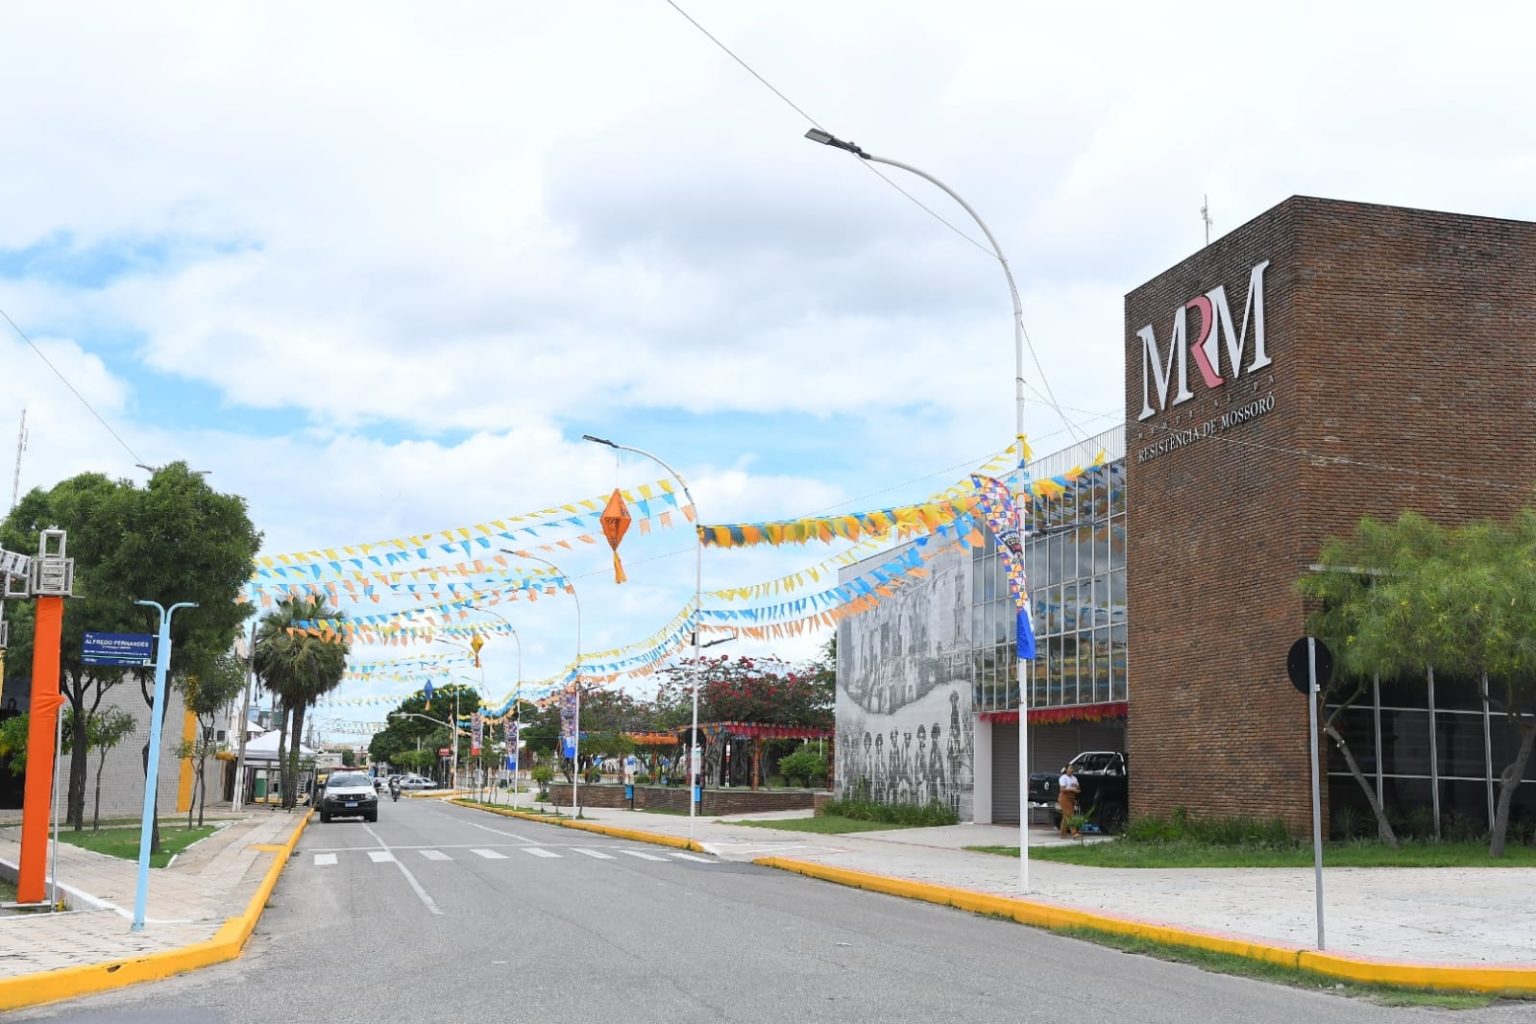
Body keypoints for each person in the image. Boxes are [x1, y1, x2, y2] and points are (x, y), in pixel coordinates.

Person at [1057, 763, 1082, 838]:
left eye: (1072, 768)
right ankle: (1074, 833)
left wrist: (1077, 788)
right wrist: (1072, 789)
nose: (1071, 770)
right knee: (1071, 815)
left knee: (1066, 816)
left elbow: (1078, 788)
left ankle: (1062, 834)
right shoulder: (1063, 778)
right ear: (1066, 769)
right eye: (1070, 768)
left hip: (1072, 798)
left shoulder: (1074, 778)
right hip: (1064, 798)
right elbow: (1062, 789)